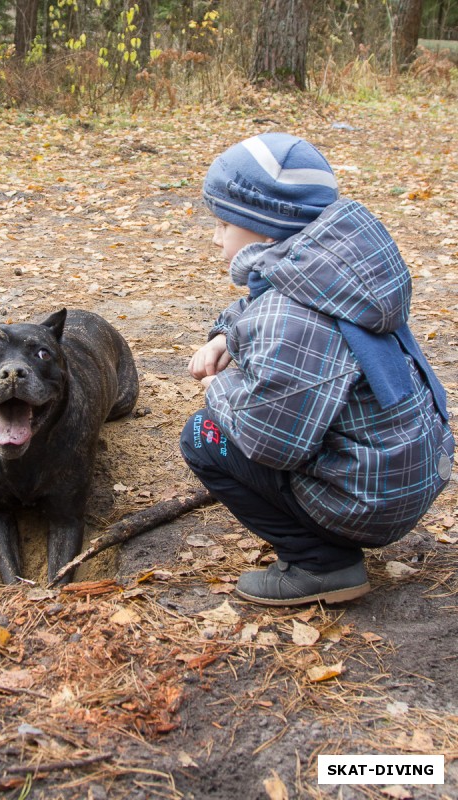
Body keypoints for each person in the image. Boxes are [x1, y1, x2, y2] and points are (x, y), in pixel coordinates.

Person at [179, 132, 454, 607]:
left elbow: (273, 442)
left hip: (371, 502)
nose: (216, 236)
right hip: (409, 474)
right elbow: (263, 302)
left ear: (264, 229)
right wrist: (229, 334)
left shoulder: (288, 317)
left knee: (202, 436)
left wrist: (222, 387)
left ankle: (320, 564)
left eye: (224, 223)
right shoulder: (339, 271)